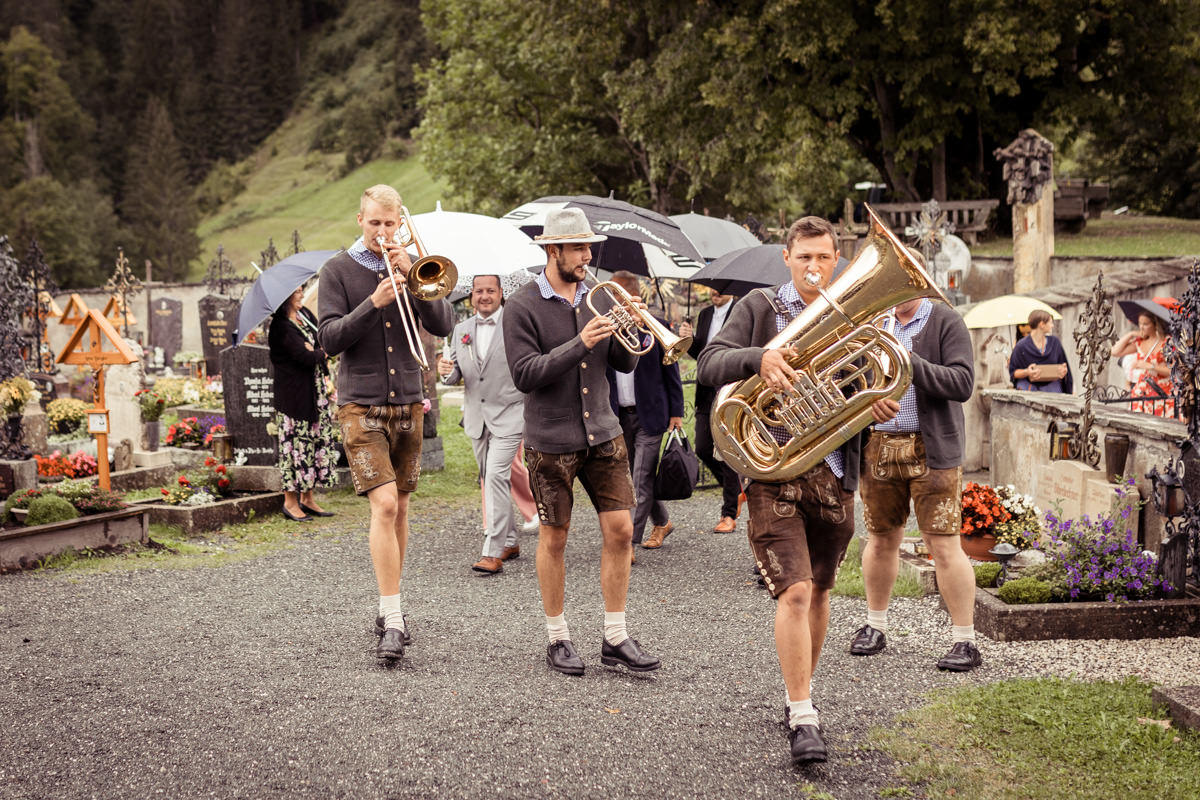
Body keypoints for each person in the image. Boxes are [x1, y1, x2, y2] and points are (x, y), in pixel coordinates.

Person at [697, 216, 862, 766]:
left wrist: (875, 408)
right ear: (787, 258)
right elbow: (708, 362)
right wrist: (758, 358)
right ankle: (804, 714)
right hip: (774, 472)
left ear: (836, 258)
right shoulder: (759, 308)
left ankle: (799, 698)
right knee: (793, 590)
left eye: (824, 257)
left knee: (818, 593)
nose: (814, 267)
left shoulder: (852, 312)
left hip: (834, 473)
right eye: (804, 258)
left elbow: (865, 383)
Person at [504, 208, 661, 677]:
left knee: (620, 531)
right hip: (550, 440)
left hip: (604, 433)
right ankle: (557, 637)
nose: (588, 256)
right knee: (555, 538)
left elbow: (626, 365)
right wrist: (581, 343)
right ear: (553, 250)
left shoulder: (597, 295)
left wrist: (631, 329)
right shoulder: (523, 305)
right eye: (579, 248)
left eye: (589, 247)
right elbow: (524, 374)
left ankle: (615, 635)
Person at [317, 184, 455, 661]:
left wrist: (413, 277)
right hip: (360, 404)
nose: (382, 231)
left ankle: (388, 603)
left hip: (409, 402)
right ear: (360, 220)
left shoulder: (413, 264)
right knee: (384, 506)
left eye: (389, 224)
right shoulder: (337, 270)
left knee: (401, 507)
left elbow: (443, 325)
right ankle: (393, 617)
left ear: (400, 223)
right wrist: (372, 302)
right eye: (374, 222)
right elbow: (329, 339)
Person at [850, 272, 980, 677]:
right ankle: (876, 626)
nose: (895, 295)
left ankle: (966, 639)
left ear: (920, 286)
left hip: (932, 447)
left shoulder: (945, 321)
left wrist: (910, 362)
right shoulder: (874, 323)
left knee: (943, 545)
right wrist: (864, 402)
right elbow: (850, 382)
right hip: (879, 446)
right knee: (880, 540)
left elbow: (962, 383)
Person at [437, 274, 528, 575]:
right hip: (477, 417)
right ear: (471, 295)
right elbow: (455, 376)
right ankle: (511, 540)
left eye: (490, 290)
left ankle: (492, 551)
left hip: (511, 414)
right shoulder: (461, 330)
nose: (484, 296)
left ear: (502, 293)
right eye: (479, 291)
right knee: (490, 475)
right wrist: (445, 370)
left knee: (496, 478)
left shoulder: (516, 326)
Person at [606, 270, 684, 553]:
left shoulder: (656, 325)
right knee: (631, 476)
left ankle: (628, 542)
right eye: (615, 298)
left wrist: (676, 411)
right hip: (619, 415)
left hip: (651, 414)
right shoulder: (606, 326)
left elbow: (671, 370)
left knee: (639, 478)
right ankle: (662, 522)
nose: (619, 304)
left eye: (623, 298)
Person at [268, 284, 340, 521]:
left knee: (314, 445)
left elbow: (321, 341)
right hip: (294, 399)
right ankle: (290, 502)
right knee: (295, 448)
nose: (302, 293)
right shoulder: (280, 328)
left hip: (315, 395)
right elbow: (305, 356)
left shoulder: (306, 316)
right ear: (286, 296)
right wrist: (320, 353)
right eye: (298, 291)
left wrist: (318, 349)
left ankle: (308, 498)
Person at [680, 290, 743, 533]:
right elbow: (701, 355)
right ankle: (736, 489)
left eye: (720, 289)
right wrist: (690, 340)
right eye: (712, 289)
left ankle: (728, 514)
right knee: (704, 449)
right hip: (706, 391)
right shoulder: (705, 314)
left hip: (730, 390)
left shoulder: (740, 311)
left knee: (727, 452)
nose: (715, 293)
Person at [1111, 305, 1174, 417]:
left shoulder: (1167, 342)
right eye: (1140, 323)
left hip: (1161, 393)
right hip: (1141, 392)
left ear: (1155, 324)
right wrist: (1131, 334)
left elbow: (1173, 371)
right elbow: (1115, 351)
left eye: (1145, 324)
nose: (1141, 327)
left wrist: (1150, 366)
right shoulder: (1140, 342)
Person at [1008, 309, 1072, 393]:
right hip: (1029, 388)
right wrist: (1027, 372)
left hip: (1052, 389)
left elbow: (1064, 367)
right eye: (1050, 322)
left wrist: (1063, 370)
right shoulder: (1021, 346)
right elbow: (1013, 373)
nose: (1052, 325)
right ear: (1042, 324)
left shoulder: (1055, 342)